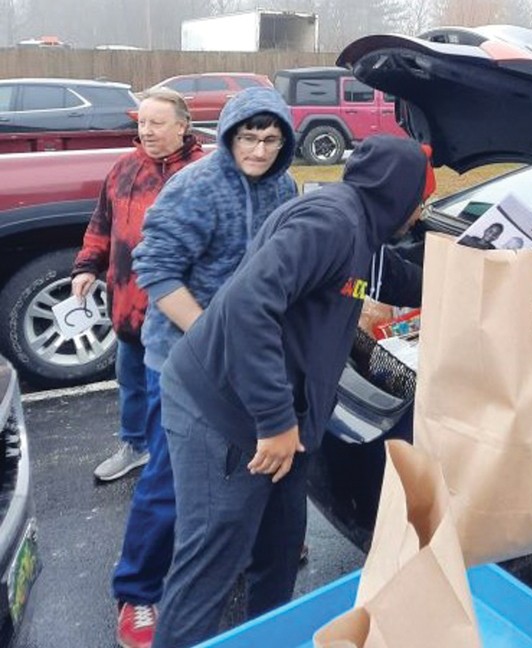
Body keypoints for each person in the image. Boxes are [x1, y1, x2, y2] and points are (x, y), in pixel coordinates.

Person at [149, 134, 434, 647]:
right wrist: (275, 420)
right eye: (420, 202)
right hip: (226, 410)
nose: (420, 214)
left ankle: (269, 637)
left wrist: (478, 269)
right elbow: (247, 308)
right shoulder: (331, 223)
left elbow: (392, 278)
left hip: (287, 419)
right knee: (213, 559)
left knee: (278, 549)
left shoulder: (364, 232)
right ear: (400, 196)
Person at [113, 86, 297, 648]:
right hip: (183, 357)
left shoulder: (284, 187)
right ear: (229, 133)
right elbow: (156, 269)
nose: (259, 151)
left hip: (242, 359)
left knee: (239, 465)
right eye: (249, 137)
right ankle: (137, 593)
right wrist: (211, 335)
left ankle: (229, 554)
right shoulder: (196, 187)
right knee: (171, 482)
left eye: (271, 140)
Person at [71, 88, 205, 483]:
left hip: (177, 314)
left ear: (182, 126)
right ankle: (135, 445)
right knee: (131, 382)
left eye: (156, 123)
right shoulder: (124, 169)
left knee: (175, 392)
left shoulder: (203, 173)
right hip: (129, 307)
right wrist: (86, 267)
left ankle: (176, 460)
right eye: (142, 123)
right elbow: (101, 226)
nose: (146, 131)